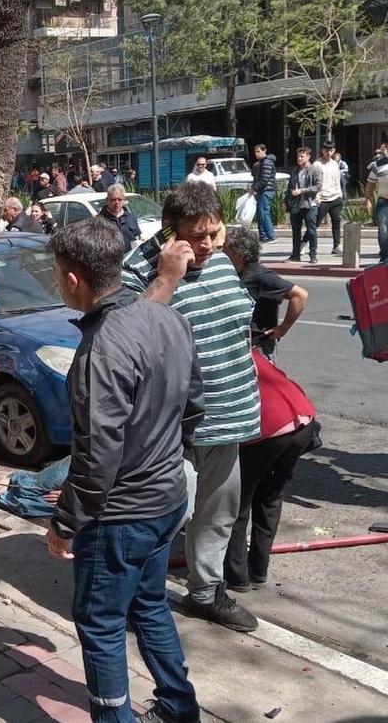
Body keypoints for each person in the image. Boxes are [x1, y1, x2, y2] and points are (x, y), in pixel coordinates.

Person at [46, 215, 204, 723]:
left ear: (73, 280)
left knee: (100, 624)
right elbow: (193, 407)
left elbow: (96, 457)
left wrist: (65, 522)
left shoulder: (102, 347)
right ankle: (180, 708)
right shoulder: (168, 320)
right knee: (149, 604)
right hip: (167, 497)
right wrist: (162, 461)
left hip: (122, 516)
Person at [123, 181, 261, 633]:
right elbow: (126, 340)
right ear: (169, 231)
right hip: (170, 430)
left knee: (217, 515)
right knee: (160, 518)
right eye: (196, 236)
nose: (206, 246)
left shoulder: (221, 262)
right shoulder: (136, 271)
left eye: (213, 234)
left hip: (228, 417)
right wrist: (166, 278)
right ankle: (135, 597)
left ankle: (205, 592)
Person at [224, 352, 318, 592]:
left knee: (237, 502)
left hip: (269, 428)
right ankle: (258, 570)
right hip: (301, 421)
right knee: (270, 496)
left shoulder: (217, 358)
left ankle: (237, 576)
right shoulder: (254, 354)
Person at [223, 225, 309, 358]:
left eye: (225, 250)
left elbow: (300, 295)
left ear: (238, 253)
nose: (221, 253)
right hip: (239, 343)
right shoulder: (233, 273)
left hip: (258, 347)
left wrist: (283, 328)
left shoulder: (260, 275)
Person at [285, 146, 322, 264]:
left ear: (308, 157)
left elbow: (318, 187)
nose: (299, 158)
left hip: (309, 204)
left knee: (311, 231)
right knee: (296, 231)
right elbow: (290, 188)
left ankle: (313, 255)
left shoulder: (314, 169)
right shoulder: (295, 171)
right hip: (295, 205)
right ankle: (295, 255)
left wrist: (302, 191)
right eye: (298, 156)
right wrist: (285, 201)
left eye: (302, 156)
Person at [315, 142, 345, 256]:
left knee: (336, 222)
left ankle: (337, 246)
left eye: (331, 150)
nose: (328, 153)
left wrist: (340, 195)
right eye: (326, 150)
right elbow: (314, 182)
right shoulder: (317, 164)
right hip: (323, 199)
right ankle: (303, 244)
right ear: (322, 150)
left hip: (335, 197)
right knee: (315, 223)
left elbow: (337, 181)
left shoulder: (335, 164)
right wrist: (317, 197)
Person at [249, 144, 278, 243]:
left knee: (264, 213)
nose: (256, 154)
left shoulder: (266, 162)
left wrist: (254, 188)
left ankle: (271, 236)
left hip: (266, 190)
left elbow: (264, 179)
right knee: (260, 213)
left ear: (264, 151)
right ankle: (263, 235)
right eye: (255, 152)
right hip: (262, 190)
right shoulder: (260, 163)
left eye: (258, 151)